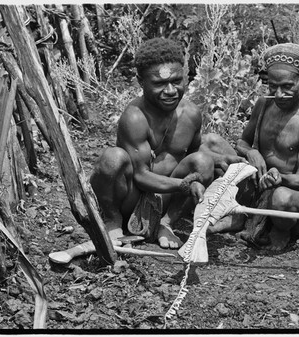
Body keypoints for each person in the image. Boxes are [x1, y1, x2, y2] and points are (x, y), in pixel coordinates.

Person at [90, 37, 242, 249]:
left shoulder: (191, 114)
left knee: (203, 161)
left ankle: (166, 223)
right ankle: (112, 221)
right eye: (159, 83)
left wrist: (218, 160)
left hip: (166, 198)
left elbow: (194, 153)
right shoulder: (134, 117)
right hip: (132, 198)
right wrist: (184, 185)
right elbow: (141, 175)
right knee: (111, 158)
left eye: (176, 81)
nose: (170, 90)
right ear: (141, 82)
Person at [220, 43, 299, 251]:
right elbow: (242, 142)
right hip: (258, 187)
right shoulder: (264, 104)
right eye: (272, 86)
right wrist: (252, 152)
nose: (279, 94)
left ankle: (282, 229)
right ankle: (242, 218)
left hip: (293, 195)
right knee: (212, 145)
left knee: (281, 197)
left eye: (287, 86)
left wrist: (279, 178)